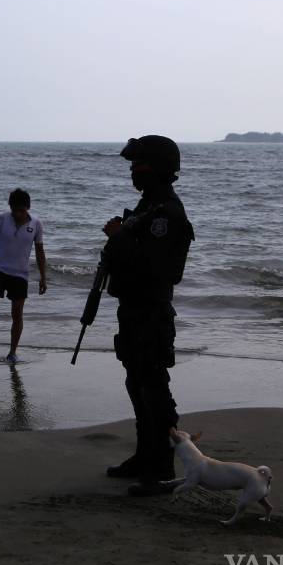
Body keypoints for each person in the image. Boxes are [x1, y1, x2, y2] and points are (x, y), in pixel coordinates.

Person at [102, 136, 194, 497]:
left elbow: (160, 270)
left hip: (151, 311)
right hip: (134, 309)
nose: (132, 171)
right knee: (136, 383)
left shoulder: (166, 214)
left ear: (156, 168)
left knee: (154, 388)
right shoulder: (148, 208)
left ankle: (161, 470)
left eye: (139, 164)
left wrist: (119, 237)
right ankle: (144, 458)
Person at [0, 188, 48, 364]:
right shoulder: (1, 220)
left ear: (28, 207)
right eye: (14, 209)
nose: (18, 213)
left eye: (21, 210)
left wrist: (43, 277)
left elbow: (40, 252)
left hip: (21, 274)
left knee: (17, 314)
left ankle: (12, 352)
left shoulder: (36, 224)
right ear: (10, 207)